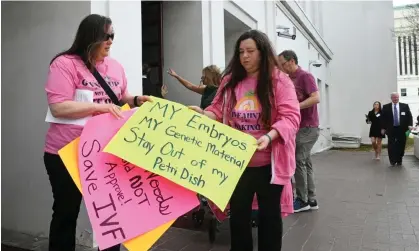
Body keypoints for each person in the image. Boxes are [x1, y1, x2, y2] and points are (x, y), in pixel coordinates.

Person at [44, 14, 150, 251]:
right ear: (90, 37)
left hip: (105, 154)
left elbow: (119, 96)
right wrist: (98, 108)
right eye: (105, 36)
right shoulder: (64, 64)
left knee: (110, 216)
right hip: (66, 153)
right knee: (66, 212)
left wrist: (135, 100)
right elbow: (58, 106)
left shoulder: (115, 66)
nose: (110, 41)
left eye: (112, 35)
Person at [189, 30, 300, 251]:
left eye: (250, 51)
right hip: (237, 164)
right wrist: (203, 114)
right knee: (238, 217)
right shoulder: (230, 81)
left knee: (270, 218)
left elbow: (291, 117)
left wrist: (269, 137)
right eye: (240, 52)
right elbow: (217, 109)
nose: (244, 57)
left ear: (263, 52)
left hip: (270, 165)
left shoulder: (279, 80)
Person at [277, 50, 320, 213]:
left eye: (282, 63)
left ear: (292, 61)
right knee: (306, 162)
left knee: (298, 161)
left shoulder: (305, 76)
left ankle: (302, 200)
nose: (281, 67)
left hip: (308, 127)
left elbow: (316, 97)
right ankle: (311, 199)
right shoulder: (290, 79)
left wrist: (295, 107)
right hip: (300, 126)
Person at [380, 92, 413, 166]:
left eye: (397, 97)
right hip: (391, 129)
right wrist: (383, 128)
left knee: (401, 144)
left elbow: (409, 117)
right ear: (391, 98)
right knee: (391, 145)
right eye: (394, 97)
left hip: (402, 129)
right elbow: (382, 119)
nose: (396, 99)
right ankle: (392, 160)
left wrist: (410, 125)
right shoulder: (386, 107)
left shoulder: (405, 106)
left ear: (399, 97)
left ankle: (399, 159)